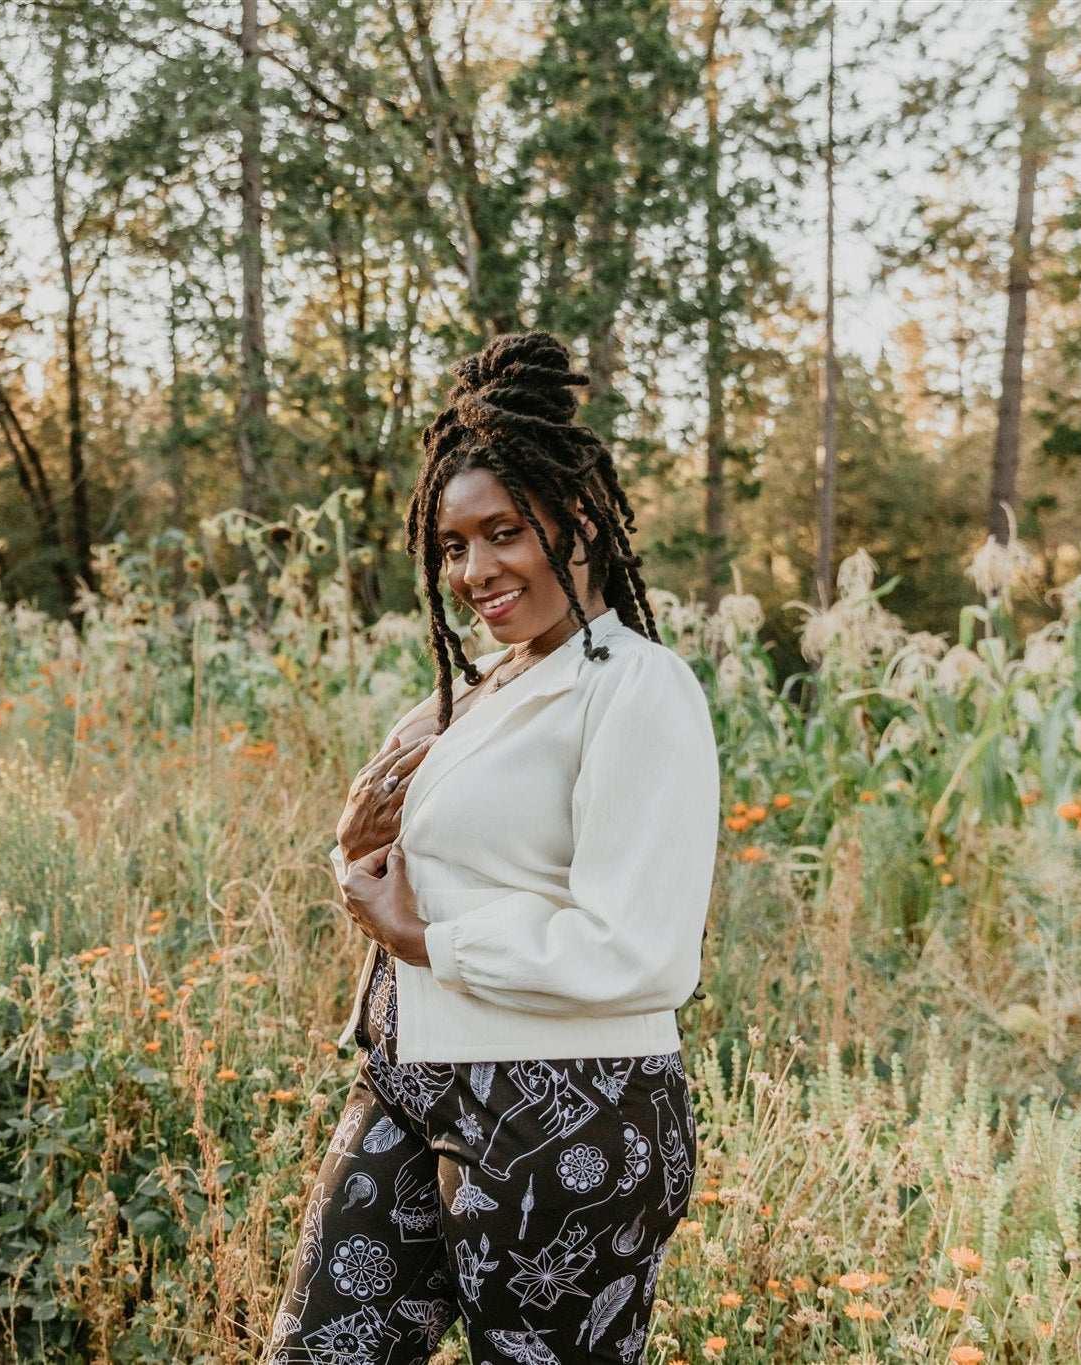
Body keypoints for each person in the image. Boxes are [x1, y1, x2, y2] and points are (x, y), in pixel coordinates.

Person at [262, 331, 721, 1365]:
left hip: (566, 1116)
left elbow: (638, 949)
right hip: (411, 1075)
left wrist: (429, 941)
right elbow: (419, 872)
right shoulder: (480, 688)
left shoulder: (634, 688)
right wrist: (355, 853)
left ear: (583, 518)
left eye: (501, 532)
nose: (472, 570)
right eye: (451, 547)